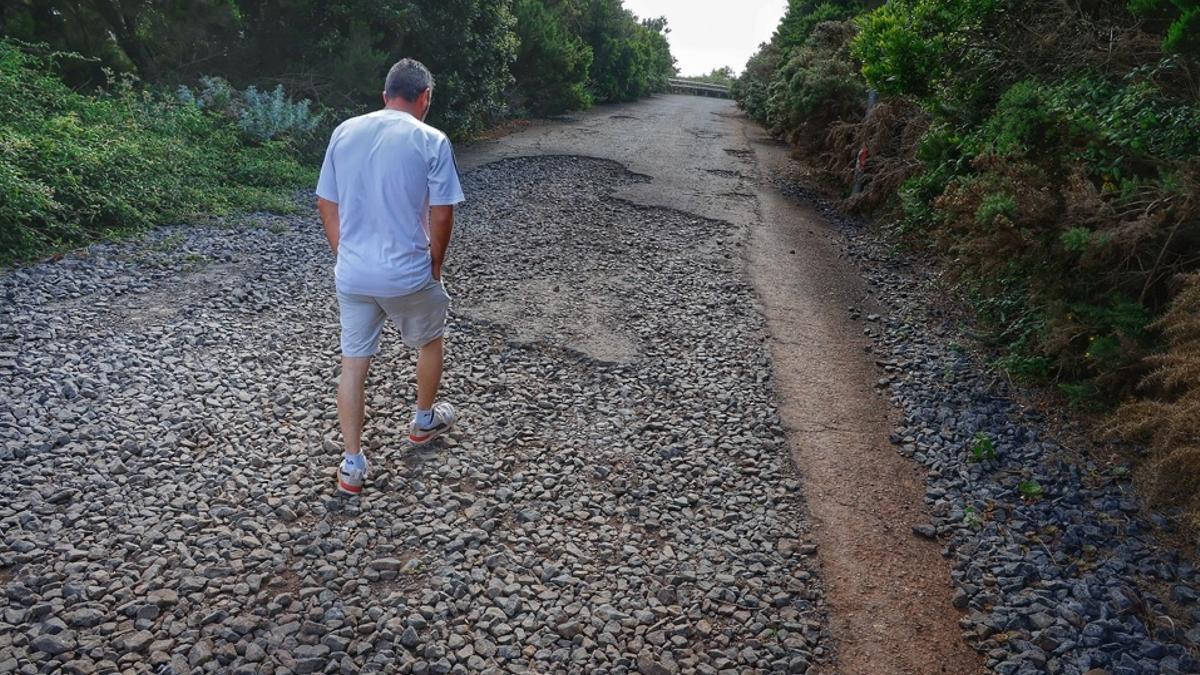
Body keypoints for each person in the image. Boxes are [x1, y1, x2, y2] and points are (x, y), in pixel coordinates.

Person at [315, 58, 464, 495]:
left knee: (353, 364)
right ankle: (422, 421)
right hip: (407, 273)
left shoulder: (345, 131)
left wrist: (345, 253)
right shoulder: (431, 140)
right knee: (429, 339)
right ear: (425, 98)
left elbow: (327, 202)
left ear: (385, 96)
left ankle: (352, 465)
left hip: (354, 272)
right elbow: (442, 213)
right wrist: (435, 266)